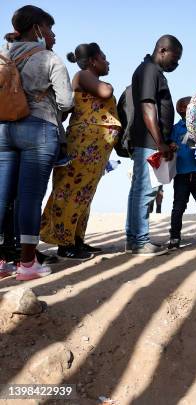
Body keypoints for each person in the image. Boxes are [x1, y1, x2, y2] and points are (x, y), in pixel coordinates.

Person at [0, 5, 73, 280]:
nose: (53, 35)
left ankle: (2, 261)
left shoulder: (2, 54)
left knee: (2, 195)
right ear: (38, 29)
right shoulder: (49, 58)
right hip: (39, 130)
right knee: (29, 196)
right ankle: (28, 264)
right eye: (50, 29)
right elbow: (67, 101)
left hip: (3, 129)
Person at [40, 42, 121, 260]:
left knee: (84, 193)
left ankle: (76, 239)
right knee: (72, 190)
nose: (107, 61)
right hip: (84, 144)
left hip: (93, 147)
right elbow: (106, 91)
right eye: (104, 57)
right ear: (93, 60)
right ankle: (64, 243)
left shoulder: (87, 76)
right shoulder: (83, 75)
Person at [126, 35, 182, 256]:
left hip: (150, 140)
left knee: (138, 190)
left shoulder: (150, 70)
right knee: (146, 191)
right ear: (162, 50)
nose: (176, 64)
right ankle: (140, 241)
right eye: (175, 58)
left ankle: (134, 239)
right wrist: (160, 143)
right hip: (149, 141)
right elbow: (148, 106)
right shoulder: (149, 70)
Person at [167, 97, 196, 250]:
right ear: (182, 110)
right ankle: (174, 237)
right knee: (178, 207)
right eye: (192, 106)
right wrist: (171, 145)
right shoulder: (175, 128)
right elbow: (169, 144)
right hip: (181, 174)